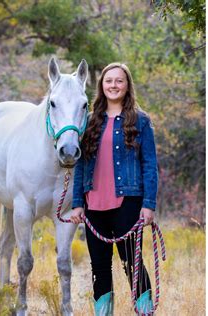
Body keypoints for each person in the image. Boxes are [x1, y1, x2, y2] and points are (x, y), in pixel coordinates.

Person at [70, 63, 158, 315]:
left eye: (119, 81)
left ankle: (145, 312)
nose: (113, 85)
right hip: (93, 205)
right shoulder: (89, 122)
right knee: (99, 267)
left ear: (127, 85)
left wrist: (148, 204)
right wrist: (77, 202)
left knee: (132, 263)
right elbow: (80, 165)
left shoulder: (141, 121)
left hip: (128, 202)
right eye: (109, 81)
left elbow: (150, 165)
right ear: (102, 86)